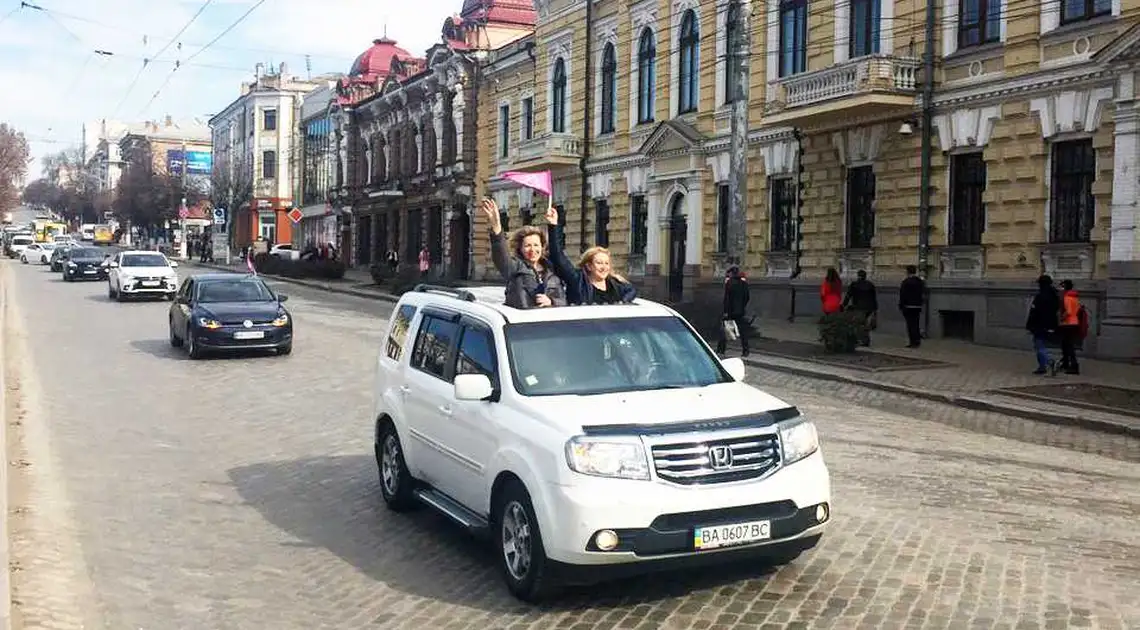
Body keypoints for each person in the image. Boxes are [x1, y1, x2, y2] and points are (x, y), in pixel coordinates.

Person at [480, 198, 567, 309]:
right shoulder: (516, 267)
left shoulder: (552, 269)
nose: (532, 250)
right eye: (527, 246)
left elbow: (563, 301)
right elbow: (501, 258)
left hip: (547, 323)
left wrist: (551, 301)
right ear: (520, 248)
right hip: (522, 322)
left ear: (542, 246)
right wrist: (496, 227)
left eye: (536, 245)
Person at [543, 205, 636, 305]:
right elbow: (558, 257)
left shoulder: (615, 284)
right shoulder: (577, 280)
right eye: (599, 263)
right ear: (589, 266)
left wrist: (624, 301)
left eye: (606, 263)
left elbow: (631, 291)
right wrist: (554, 225)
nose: (604, 267)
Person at [1025, 274, 1060, 375]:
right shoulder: (1054, 295)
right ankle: (1041, 367)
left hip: (1039, 324)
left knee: (1039, 345)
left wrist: (1030, 325)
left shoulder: (1040, 296)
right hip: (1050, 324)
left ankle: (1050, 361)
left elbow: (1034, 311)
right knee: (1041, 344)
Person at [715, 266, 751, 356]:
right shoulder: (744, 283)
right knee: (743, 331)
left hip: (730, 311)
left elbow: (727, 299)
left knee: (725, 329)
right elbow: (747, 297)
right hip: (740, 311)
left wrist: (726, 311)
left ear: (731, 273)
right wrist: (742, 306)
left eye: (728, 273)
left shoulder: (729, 283)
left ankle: (721, 349)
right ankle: (746, 350)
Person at [843, 269, 878, 346]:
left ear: (858, 276)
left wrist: (843, 305)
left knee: (860, 324)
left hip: (859, 307)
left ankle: (863, 340)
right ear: (865, 276)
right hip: (869, 308)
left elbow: (848, 296)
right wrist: (875, 310)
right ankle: (863, 339)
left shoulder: (854, 284)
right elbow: (874, 297)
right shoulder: (870, 284)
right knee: (863, 323)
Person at [1057, 279, 1082, 375]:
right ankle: (1066, 363)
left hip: (1068, 323)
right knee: (1066, 344)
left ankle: (1073, 365)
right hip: (1074, 322)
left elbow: (1069, 311)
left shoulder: (1067, 297)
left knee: (1068, 345)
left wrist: (1061, 318)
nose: (1060, 289)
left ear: (1065, 287)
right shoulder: (1075, 297)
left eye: (1061, 286)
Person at [898, 265, 926, 348]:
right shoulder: (920, 281)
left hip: (908, 306)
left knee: (910, 325)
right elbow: (923, 293)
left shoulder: (905, 282)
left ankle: (912, 342)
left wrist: (901, 305)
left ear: (907, 272)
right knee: (916, 323)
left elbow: (902, 295)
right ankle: (917, 341)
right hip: (917, 306)